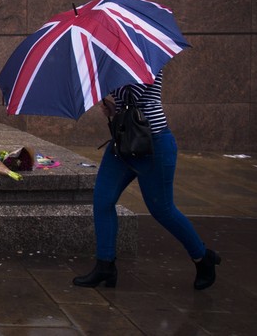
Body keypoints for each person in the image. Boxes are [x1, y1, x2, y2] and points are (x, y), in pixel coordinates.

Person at [73, 70, 221, 290]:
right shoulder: (114, 62)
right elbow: (126, 102)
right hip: (124, 142)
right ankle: (105, 266)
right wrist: (112, 108)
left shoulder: (143, 58)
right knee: (102, 201)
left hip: (154, 143)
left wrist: (101, 81)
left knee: (162, 209)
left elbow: (134, 93)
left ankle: (202, 257)